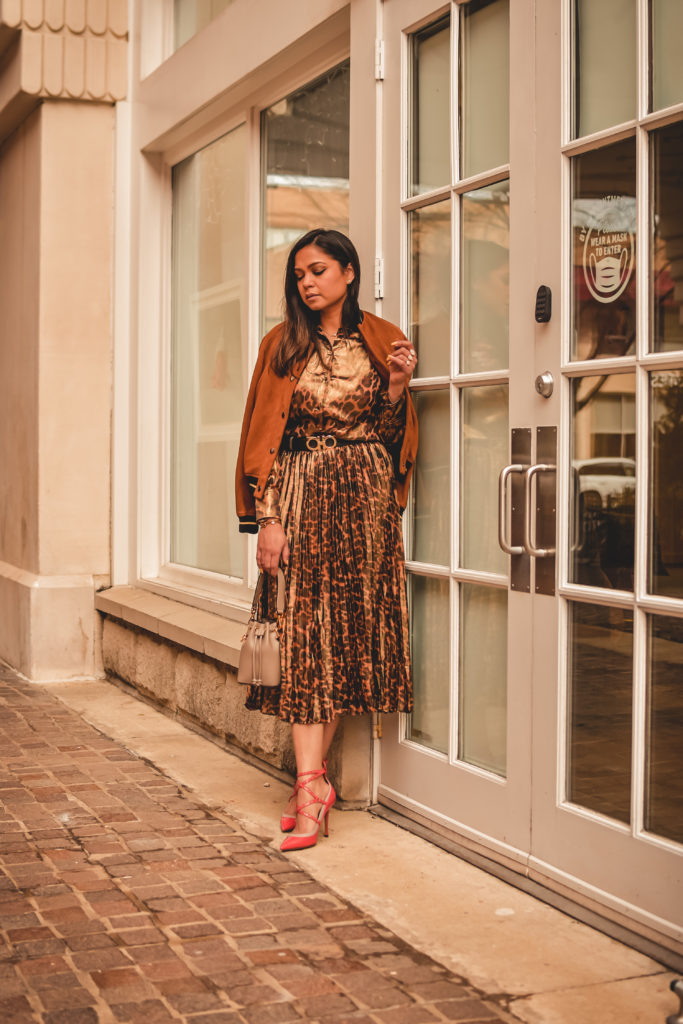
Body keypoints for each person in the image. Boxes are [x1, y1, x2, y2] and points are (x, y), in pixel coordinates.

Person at [235, 228, 418, 852]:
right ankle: (313, 784)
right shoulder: (281, 345)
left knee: (342, 639)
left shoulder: (384, 338)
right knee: (303, 636)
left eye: (316, 270)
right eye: (298, 275)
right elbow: (263, 438)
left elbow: (394, 438)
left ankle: (310, 787)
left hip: (364, 501)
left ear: (347, 271)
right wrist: (269, 518)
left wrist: (395, 386)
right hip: (301, 492)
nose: (306, 283)